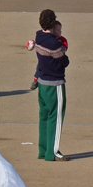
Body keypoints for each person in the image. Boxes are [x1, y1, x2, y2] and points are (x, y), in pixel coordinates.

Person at [33, 9, 70, 162]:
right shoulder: (54, 43)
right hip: (55, 84)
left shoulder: (39, 37)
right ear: (53, 24)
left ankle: (43, 150)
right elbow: (65, 61)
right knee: (56, 117)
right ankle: (53, 153)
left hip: (42, 83)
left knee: (44, 117)